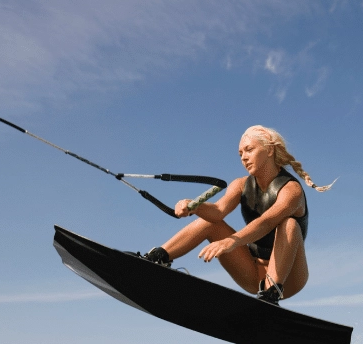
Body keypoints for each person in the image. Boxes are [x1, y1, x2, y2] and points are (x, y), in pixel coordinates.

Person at [141, 125, 334, 305]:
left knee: (289, 224)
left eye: (249, 150)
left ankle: (271, 293)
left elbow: (267, 222)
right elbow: (217, 212)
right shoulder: (241, 184)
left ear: (269, 150)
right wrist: (193, 206)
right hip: (251, 273)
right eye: (241, 154)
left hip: (290, 278)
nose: (243, 157)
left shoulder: (291, 190)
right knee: (210, 223)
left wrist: (232, 240)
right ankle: (157, 258)